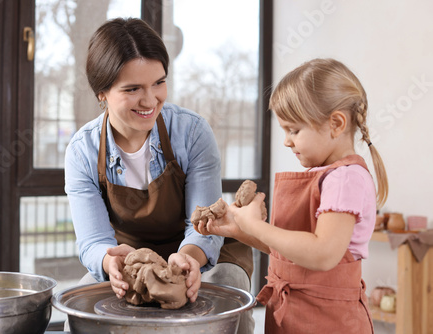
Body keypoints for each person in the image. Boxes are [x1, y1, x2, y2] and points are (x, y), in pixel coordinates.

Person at [64, 18, 254, 332]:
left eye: (158, 82)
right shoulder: (82, 151)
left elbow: (203, 227)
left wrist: (190, 258)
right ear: (102, 93)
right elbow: (94, 241)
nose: (151, 100)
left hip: (205, 250)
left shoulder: (192, 133)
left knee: (226, 292)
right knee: (84, 305)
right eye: (132, 89)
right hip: (131, 258)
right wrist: (111, 263)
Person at [196, 58, 388, 333]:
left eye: (294, 130)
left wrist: (256, 225)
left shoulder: (347, 179)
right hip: (291, 316)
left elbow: (321, 254)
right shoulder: (329, 176)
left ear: (336, 123)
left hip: (327, 321)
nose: (287, 141)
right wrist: (240, 231)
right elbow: (292, 253)